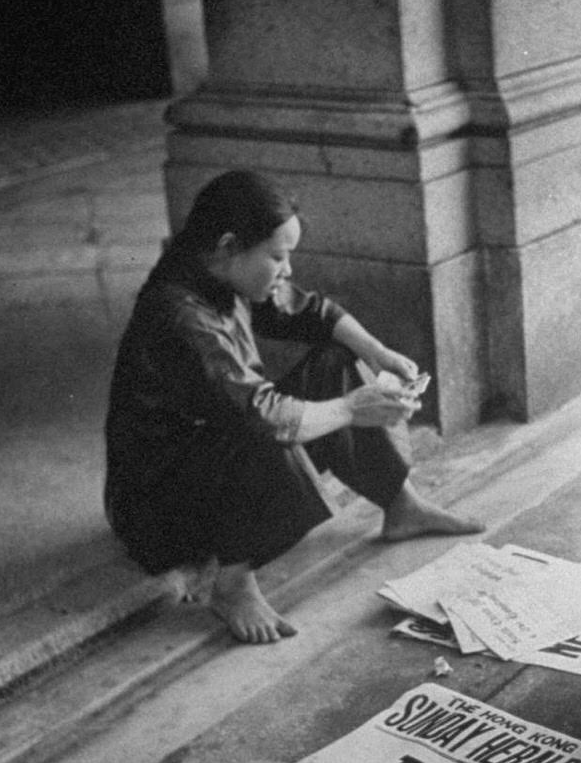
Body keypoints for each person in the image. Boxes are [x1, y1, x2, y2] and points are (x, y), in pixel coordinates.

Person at [105, 169, 483, 644]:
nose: (286, 271)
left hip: (204, 464)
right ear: (228, 245)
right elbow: (264, 417)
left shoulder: (217, 269)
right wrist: (350, 408)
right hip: (157, 509)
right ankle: (232, 582)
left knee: (335, 362)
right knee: (269, 428)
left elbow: (305, 310)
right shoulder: (182, 315)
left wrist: (376, 352)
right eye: (278, 257)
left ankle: (400, 503)